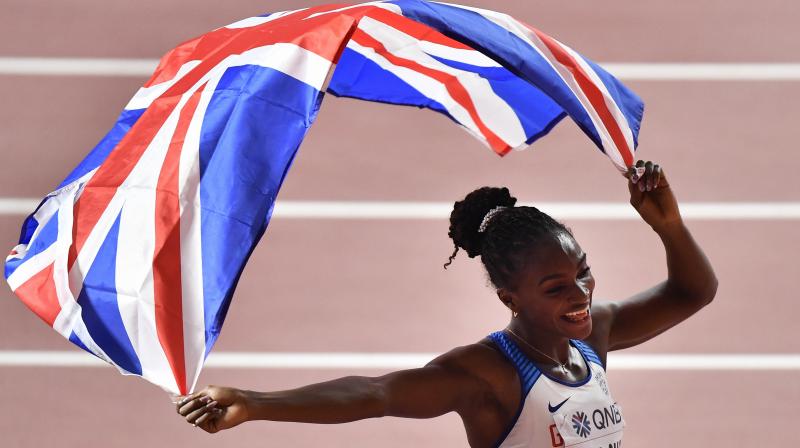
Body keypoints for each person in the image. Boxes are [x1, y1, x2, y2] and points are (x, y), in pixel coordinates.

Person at [176, 160, 717, 447]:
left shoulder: (593, 334)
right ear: (510, 297)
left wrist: (669, 226)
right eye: (555, 288)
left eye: (583, 273)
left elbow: (693, 292)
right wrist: (256, 402)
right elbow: (376, 393)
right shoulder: (488, 375)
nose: (581, 295)